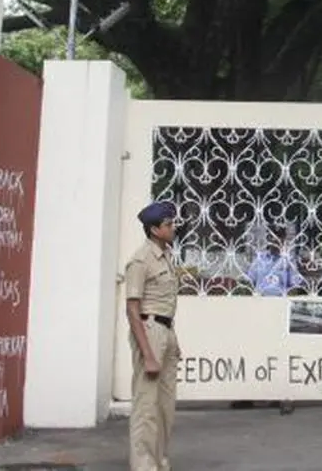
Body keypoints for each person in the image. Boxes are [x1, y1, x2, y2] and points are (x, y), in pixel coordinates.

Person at [125, 200, 180, 471]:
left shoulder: (166, 256)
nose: (173, 227)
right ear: (155, 229)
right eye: (169, 224)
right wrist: (147, 354)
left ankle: (160, 462)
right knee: (146, 406)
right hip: (149, 330)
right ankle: (144, 466)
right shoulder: (140, 260)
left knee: (165, 407)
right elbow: (132, 309)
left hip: (166, 330)